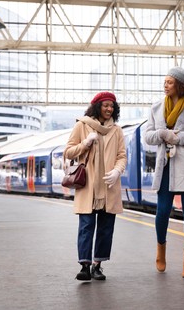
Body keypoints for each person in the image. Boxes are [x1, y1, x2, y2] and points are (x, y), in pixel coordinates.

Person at [143, 66, 184, 278]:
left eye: (169, 82)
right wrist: (162, 133)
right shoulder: (156, 108)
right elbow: (148, 136)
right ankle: (160, 249)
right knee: (162, 211)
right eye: (165, 82)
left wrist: (178, 138)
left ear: (180, 85)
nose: (165, 85)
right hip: (165, 164)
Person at [64, 91, 127, 281]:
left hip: (109, 185)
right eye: (105, 105)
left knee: (106, 228)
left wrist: (117, 171)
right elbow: (68, 152)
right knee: (86, 226)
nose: (109, 109)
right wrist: (85, 143)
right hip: (88, 186)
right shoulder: (81, 125)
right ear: (97, 106)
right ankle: (85, 265)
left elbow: (121, 156)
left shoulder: (117, 130)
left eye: (112, 106)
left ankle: (98, 266)